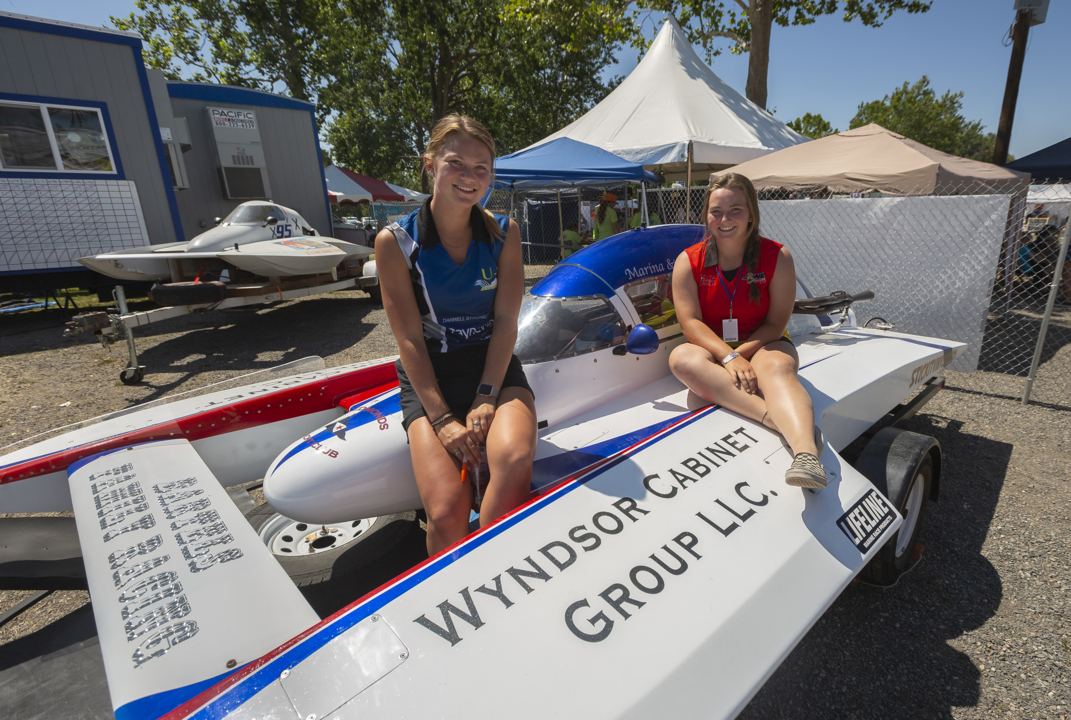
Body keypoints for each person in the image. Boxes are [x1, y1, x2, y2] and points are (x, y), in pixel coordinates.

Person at [375, 114, 537, 555]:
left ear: (492, 175)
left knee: (514, 461)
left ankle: (496, 565)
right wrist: (444, 420)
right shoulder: (395, 242)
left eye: (481, 167)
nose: (469, 177)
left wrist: (487, 395)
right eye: (456, 164)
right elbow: (408, 339)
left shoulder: (505, 233)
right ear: (430, 164)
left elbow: (506, 321)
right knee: (447, 513)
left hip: (494, 370)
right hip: (432, 375)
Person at [668, 172, 826, 488]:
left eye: (735, 210)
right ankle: (784, 424)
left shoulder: (777, 256)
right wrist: (728, 358)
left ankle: (807, 456)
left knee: (778, 368)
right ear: (706, 216)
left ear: (752, 213)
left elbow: (776, 323)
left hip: (765, 341)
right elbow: (691, 324)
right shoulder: (689, 261)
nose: (725, 219)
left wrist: (739, 355)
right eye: (716, 211)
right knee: (681, 359)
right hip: (717, 349)